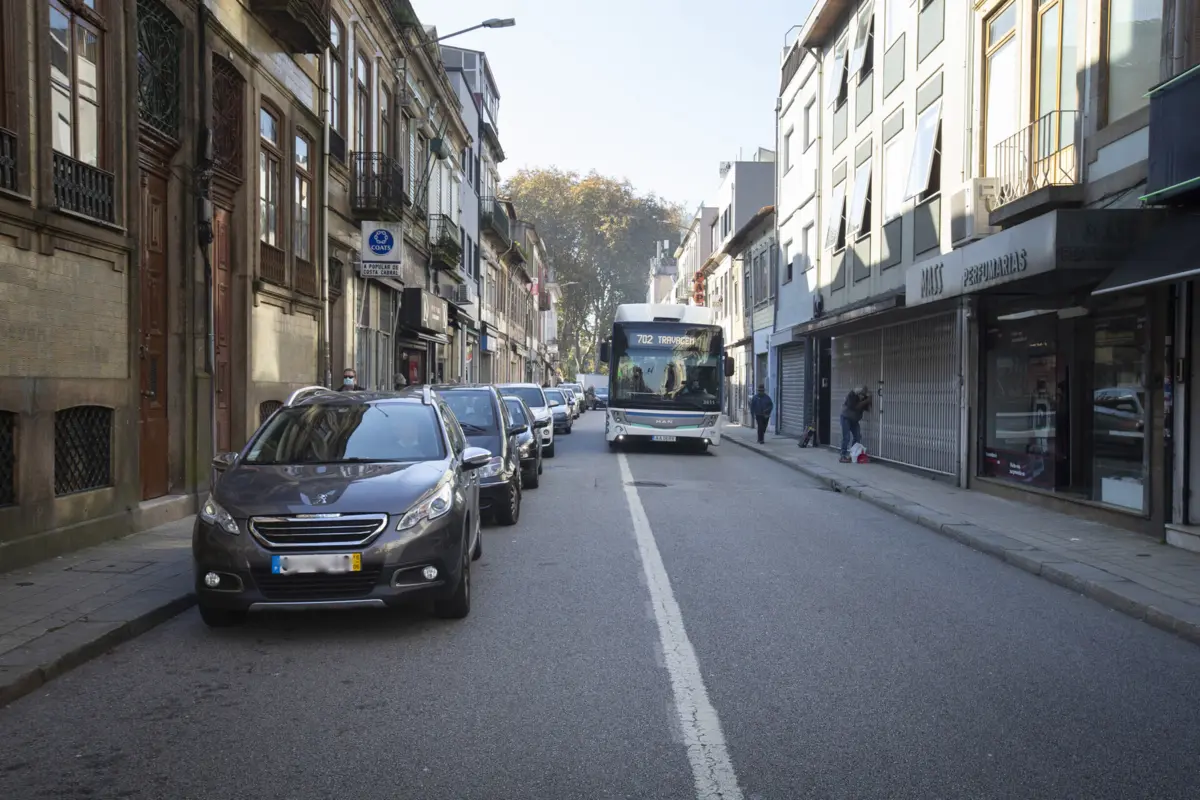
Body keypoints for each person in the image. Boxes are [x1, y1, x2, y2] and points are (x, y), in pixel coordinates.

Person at [840, 385, 872, 462]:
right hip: (846, 417)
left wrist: (868, 401)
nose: (862, 396)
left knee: (857, 436)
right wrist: (866, 401)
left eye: (863, 395)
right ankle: (843, 455)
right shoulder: (852, 395)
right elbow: (854, 407)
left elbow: (866, 408)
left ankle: (853, 454)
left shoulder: (864, 398)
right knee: (846, 437)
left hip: (854, 420)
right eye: (861, 394)